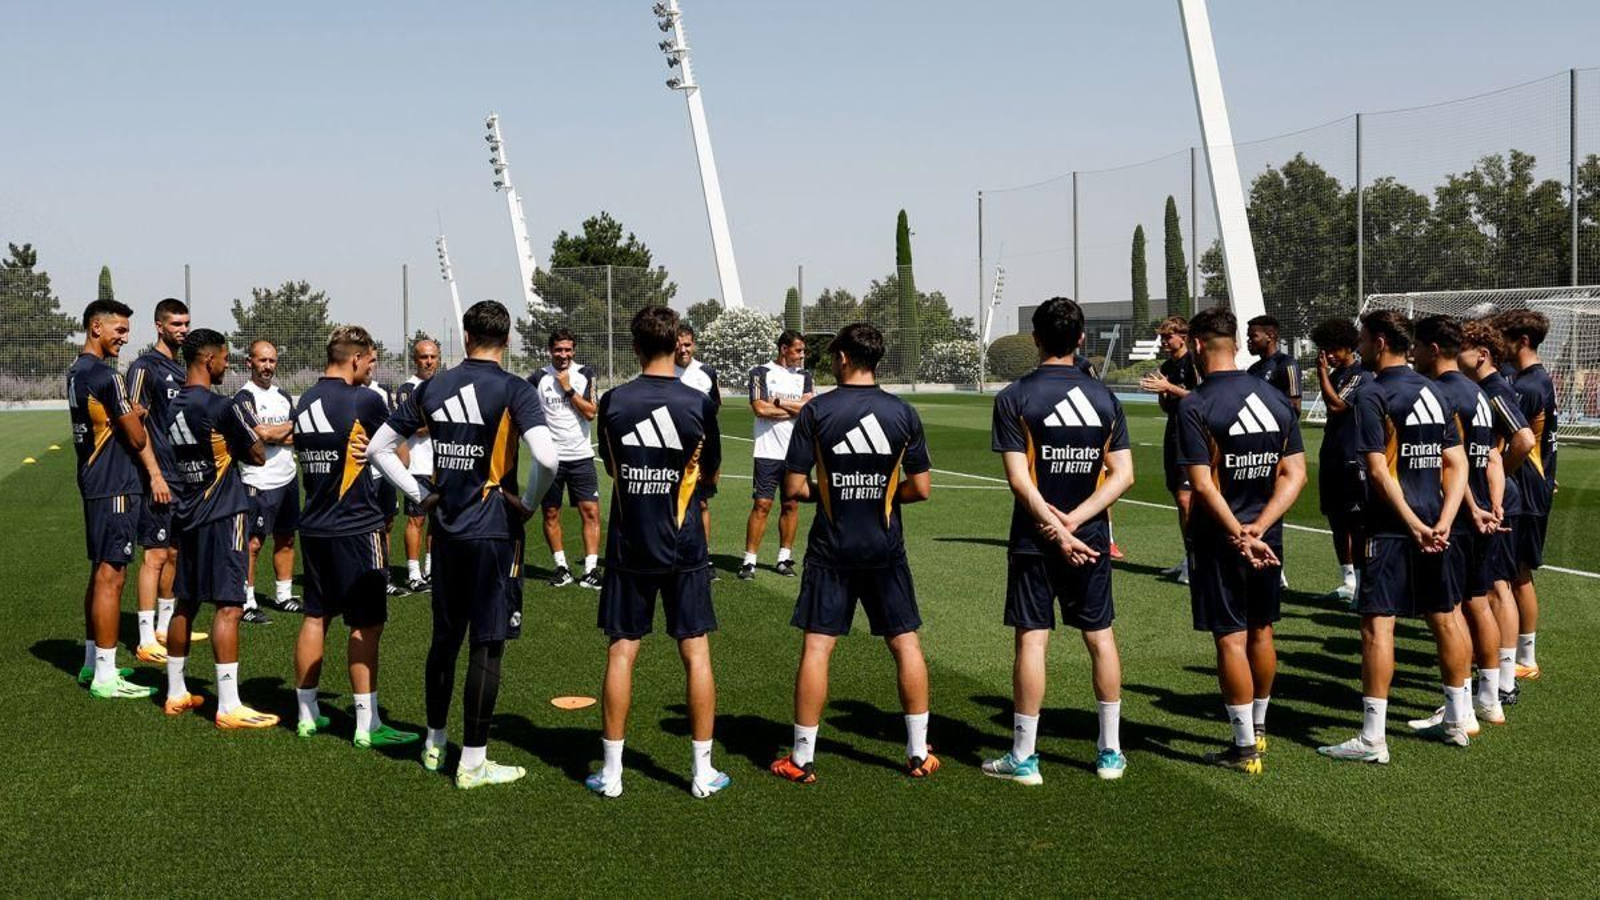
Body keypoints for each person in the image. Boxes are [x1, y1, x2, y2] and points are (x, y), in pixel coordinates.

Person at [370, 300, 558, 790]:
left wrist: (420, 495)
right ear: (509, 338)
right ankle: (472, 762)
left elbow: (377, 449)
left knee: (445, 639)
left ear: (465, 335)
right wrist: (529, 503)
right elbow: (547, 456)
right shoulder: (515, 388)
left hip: (447, 529)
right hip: (495, 531)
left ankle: (434, 743)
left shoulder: (435, 384)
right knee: (488, 644)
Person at [769, 323, 936, 783]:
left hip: (831, 548)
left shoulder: (816, 412)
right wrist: (879, 493)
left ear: (842, 357)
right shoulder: (903, 412)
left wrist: (836, 491)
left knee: (818, 648)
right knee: (905, 643)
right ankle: (918, 753)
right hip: (885, 547)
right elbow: (921, 489)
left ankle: (801, 759)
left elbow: (795, 486)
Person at [981, 297, 1135, 784]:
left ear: (1035, 339)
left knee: (1032, 639)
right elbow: (1123, 475)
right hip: (1089, 538)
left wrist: (1054, 526)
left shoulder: (1014, 397)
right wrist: (1076, 522)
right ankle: (1109, 753)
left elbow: (1019, 480)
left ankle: (1024, 758)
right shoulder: (1104, 398)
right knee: (1101, 638)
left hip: (1033, 537)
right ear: (1082, 339)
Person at [587, 306, 728, 799]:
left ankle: (612, 774)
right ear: (677, 345)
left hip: (630, 543)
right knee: (696, 653)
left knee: (623, 650)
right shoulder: (698, 402)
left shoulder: (613, 401)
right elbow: (709, 475)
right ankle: (702, 772)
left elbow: (611, 466)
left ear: (635, 347)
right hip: (685, 543)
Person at [1318, 309, 1471, 763]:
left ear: (1380, 341)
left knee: (1376, 625)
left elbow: (1377, 470)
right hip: (1435, 523)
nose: (1360, 344)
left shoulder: (1372, 393)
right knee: (1444, 616)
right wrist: (1442, 520)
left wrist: (1412, 523)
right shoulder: (1437, 392)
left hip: (1389, 527)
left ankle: (1372, 737)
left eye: (1364, 337)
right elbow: (1457, 463)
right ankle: (1457, 721)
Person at [1175, 306, 1306, 774]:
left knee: (1230, 639)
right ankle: (1262, 729)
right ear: (1233, 342)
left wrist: (1237, 534)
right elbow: (1295, 474)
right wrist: (1261, 527)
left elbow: (1202, 486)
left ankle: (1244, 746)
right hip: (1267, 537)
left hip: (1221, 538)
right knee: (1262, 630)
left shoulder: (1195, 405)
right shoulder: (1273, 399)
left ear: (1195, 346)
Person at [289, 325, 418, 748]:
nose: (372, 369)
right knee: (367, 623)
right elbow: (396, 449)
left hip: (315, 524)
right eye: (372, 362)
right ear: (356, 358)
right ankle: (367, 724)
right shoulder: (365, 399)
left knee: (315, 616)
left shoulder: (305, 399)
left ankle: (306, 713)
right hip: (357, 524)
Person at [165, 329, 277, 727]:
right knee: (229, 606)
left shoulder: (171, 404)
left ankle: (175, 692)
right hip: (224, 514)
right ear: (207, 359)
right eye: (224, 359)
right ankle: (228, 706)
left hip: (188, 512)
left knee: (186, 603)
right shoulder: (220, 405)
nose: (226, 365)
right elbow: (258, 454)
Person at [1407, 315, 1507, 735]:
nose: (1410, 354)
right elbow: (1493, 458)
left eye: (1416, 346)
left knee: (1447, 612)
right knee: (1477, 602)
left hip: (1458, 516)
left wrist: (1460, 508)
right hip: (1482, 511)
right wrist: (1492, 504)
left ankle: (1459, 710)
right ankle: (1489, 700)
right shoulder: (1477, 391)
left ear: (1433, 349)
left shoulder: (1440, 393)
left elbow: (1456, 464)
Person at [68, 299, 157, 699]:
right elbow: (136, 437)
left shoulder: (76, 372)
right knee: (112, 574)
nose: (125, 337)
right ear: (95, 328)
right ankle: (106, 674)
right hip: (115, 484)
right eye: (118, 330)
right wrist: (137, 415)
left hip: (93, 480)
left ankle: (91, 663)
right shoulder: (106, 376)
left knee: (100, 570)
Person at [1458, 319, 1536, 709]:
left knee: (1497, 586)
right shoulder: (1479, 390)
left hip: (1501, 500)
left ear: (1482, 354)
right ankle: (1497, 676)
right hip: (1493, 498)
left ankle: (1505, 681)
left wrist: (1499, 476)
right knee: (1490, 586)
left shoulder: (1493, 390)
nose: (1455, 355)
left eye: (1462, 348)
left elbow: (1523, 438)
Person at [126, 298, 206, 660]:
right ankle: (145, 640)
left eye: (186, 323)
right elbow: (135, 423)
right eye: (176, 324)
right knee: (155, 555)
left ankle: (163, 625)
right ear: (159, 326)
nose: (183, 330)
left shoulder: (181, 368)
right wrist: (154, 474)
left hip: (184, 476)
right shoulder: (145, 366)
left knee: (175, 553)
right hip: (159, 477)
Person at [1496, 310, 1558, 683]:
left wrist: (1497, 471)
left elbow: (1521, 441)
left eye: (1503, 337)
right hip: (1538, 483)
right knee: (1517, 572)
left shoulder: (1529, 385)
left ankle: (1527, 657)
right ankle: (1519, 652)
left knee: (1518, 574)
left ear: (1520, 341)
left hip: (1527, 488)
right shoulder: (1535, 379)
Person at [529, 328, 602, 589]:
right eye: (558, 350)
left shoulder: (585, 375)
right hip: (550, 460)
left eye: (568, 350)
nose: (563, 355)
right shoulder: (538, 377)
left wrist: (568, 389)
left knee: (591, 512)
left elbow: (591, 413)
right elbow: (524, 412)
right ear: (550, 350)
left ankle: (591, 570)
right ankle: (561, 568)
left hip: (581, 456)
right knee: (550, 512)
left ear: (574, 351)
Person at [235, 339, 301, 623]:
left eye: (272, 361)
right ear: (249, 362)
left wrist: (275, 433)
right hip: (258, 480)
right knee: (253, 544)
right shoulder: (243, 397)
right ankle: (247, 602)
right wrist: (280, 431)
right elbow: (259, 433)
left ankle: (283, 595)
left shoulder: (283, 395)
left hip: (287, 477)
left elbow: (297, 433)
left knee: (286, 538)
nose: (268, 366)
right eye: (262, 361)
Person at [742, 329, 813, 580]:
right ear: (783, 349)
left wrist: (780, 403)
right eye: (798, 350)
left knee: (791, 504)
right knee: (762, 504)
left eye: (802, 351)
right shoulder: (760, 373)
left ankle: (784, 558)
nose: (802, 356)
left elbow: (808, 408)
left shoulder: (804, 376)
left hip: (796, 451)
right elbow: (760, 408)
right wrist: (795, 410)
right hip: (767, 450)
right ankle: (749, 561)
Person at [1310, 318, 1369, 604]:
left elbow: (1337, 406)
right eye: (1324, 349)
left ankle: (1361, 584)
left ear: (1349, 346)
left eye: (1333, 349)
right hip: (1332, 453)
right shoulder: (1335, 375)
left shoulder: (1361, 374)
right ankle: (1347, 580)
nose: (1328, 355)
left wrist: (1322, 373)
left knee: (1356, 523)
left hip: (1353, 457)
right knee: (1335, 518)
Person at [1139, 316, 1198, 584]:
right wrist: (1162, 394)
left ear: (1182, 337)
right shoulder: (1167, 366)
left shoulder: (1195, 363)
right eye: (1162, 337)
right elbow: (1168, 406)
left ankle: (1197, 561)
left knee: (1189, 501)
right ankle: (1188, 556)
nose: (1164, 342)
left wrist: (1169, 387)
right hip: (1173, 435)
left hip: (1193, 437)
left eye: (1167, 337)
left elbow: (1204, 399)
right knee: (1179, 499)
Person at [395, 338, 440, 592]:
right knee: (416, 520)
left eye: (433, 356)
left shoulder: (445, 386)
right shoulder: (407, 390)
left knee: (438, 520)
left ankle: (432, 569)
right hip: (417, 466)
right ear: (415, 359)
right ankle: (413, 573)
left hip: (442, 464)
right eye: (424, 357)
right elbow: (411, 428)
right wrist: (436, 422)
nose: (429, 361)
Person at [675, 324, 721, 565]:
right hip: (672, 449)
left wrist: (713, 462)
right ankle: (673, 553)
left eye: (688, 344)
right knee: (670, 502)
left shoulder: (706, 372)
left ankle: (703, 556)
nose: (683, 350)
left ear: (694, 344)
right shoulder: (665, 371)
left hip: (700, 451)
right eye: (679, 345)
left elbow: (713, 414)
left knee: (701, 503)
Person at [1246, 314, 1303, 414]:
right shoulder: (1252, 370)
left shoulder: (1288, 364)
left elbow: (1295, 406)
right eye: (1248, 337)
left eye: (1253, 336)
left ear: (1269, 336)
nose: (1249, 341)